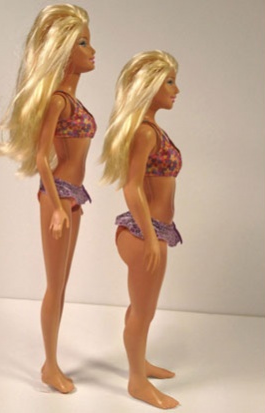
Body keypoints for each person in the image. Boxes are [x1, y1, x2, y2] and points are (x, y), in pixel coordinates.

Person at [0, 4, 96, 394]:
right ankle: (50, 366)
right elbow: (40, 158)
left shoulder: (72, 101)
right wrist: (56, 207)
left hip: (74, 196)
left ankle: (52, 363)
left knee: (62, 284)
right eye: (83, 43)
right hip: (58, 197)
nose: (92, 50)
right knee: (54, 285)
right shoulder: (57, 101)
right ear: (64, 50)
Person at [100, 50, 182, 409]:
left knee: (141, 307)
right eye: (169, 82)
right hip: (143, 233)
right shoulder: (145, 133)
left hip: (155, 230)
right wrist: (149, 235)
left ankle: (140, 363)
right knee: (143, 311)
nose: (176, 90)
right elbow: (131, 187)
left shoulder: (151, 129)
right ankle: (136, 381)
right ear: (149, 86)